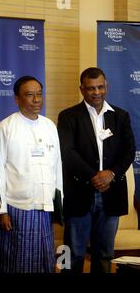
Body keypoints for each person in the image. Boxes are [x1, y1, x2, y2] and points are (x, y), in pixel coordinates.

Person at [57, 67, 135, 273]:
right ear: (82, 89)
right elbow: (68, 152)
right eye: (91, 88)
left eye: (100, 87)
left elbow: (129, 151)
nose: (96, 92)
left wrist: (111, 174)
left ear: (106, 86)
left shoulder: (120, 116)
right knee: (72, 253)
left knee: (104, 254)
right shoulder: (68, 116)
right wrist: (93, 176)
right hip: (79, 193)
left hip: (112, 193)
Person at [0, 76, 62, 273]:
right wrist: (2, 210)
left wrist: (59, 204)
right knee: (17, 263)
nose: (36, 100)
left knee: (44, 261)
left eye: (39, 94)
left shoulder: (49, 126)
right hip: (17, 209)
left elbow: (57, 166)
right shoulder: (5, 127)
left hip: (45, 207)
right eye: (29, 95)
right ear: (17, 98)